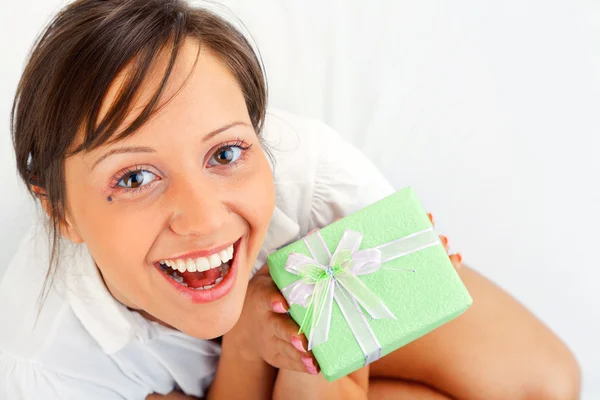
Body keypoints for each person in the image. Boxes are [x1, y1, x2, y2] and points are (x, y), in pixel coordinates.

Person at [0, 1, 580, 399]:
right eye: (133, 178)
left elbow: (542, 383)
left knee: (545, 383)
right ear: (61, 212)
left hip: (319, 305)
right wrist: (250, 341)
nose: (203, 218)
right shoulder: (51, 354)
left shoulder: (318, 180)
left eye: (225, 154)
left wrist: (309, 327)